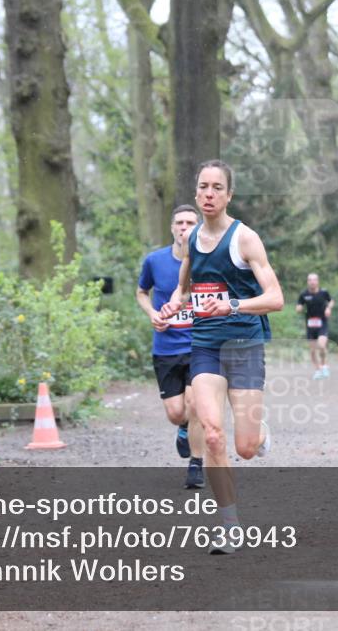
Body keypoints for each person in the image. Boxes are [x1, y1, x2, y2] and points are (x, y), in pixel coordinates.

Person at [159, 159, 284, 554]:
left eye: (217, 187)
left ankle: (260, 435)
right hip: (206, 347)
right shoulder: (192, 240)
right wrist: (172, 307)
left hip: (244, 346)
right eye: (203, 187)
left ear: (229, 195)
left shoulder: (246, 239)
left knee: (244, 448)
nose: (209, 194)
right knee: (213, 435)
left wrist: (231, 306)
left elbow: (275, 299)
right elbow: (184, 289)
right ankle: (229, 526)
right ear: (196, 194)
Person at [137, 204, 206, 489]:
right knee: (177, 412)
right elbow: (142, 292)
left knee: (196, 404)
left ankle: (196, 465)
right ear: (172, 227)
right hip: (166, 347)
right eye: (179, 222)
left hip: (201, 346)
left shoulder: (207, 262)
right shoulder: (155, 261)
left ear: (198, 227)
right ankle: (182, 429)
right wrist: (152, 314)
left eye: (190, 222)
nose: (184, 227)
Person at [296, 273, 334, 379]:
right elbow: (299, 305)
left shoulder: (324, 292)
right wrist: (299, 308)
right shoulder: (304, 294)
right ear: (307, 282)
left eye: (314, 280)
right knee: (312, 350)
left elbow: (331, 301)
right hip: (310, 325)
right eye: (310, 280)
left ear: (318, 281)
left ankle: (324, 365)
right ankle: (318, 370)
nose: (312, 282)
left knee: (321, 345)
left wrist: (328, 308)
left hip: (322, 323)